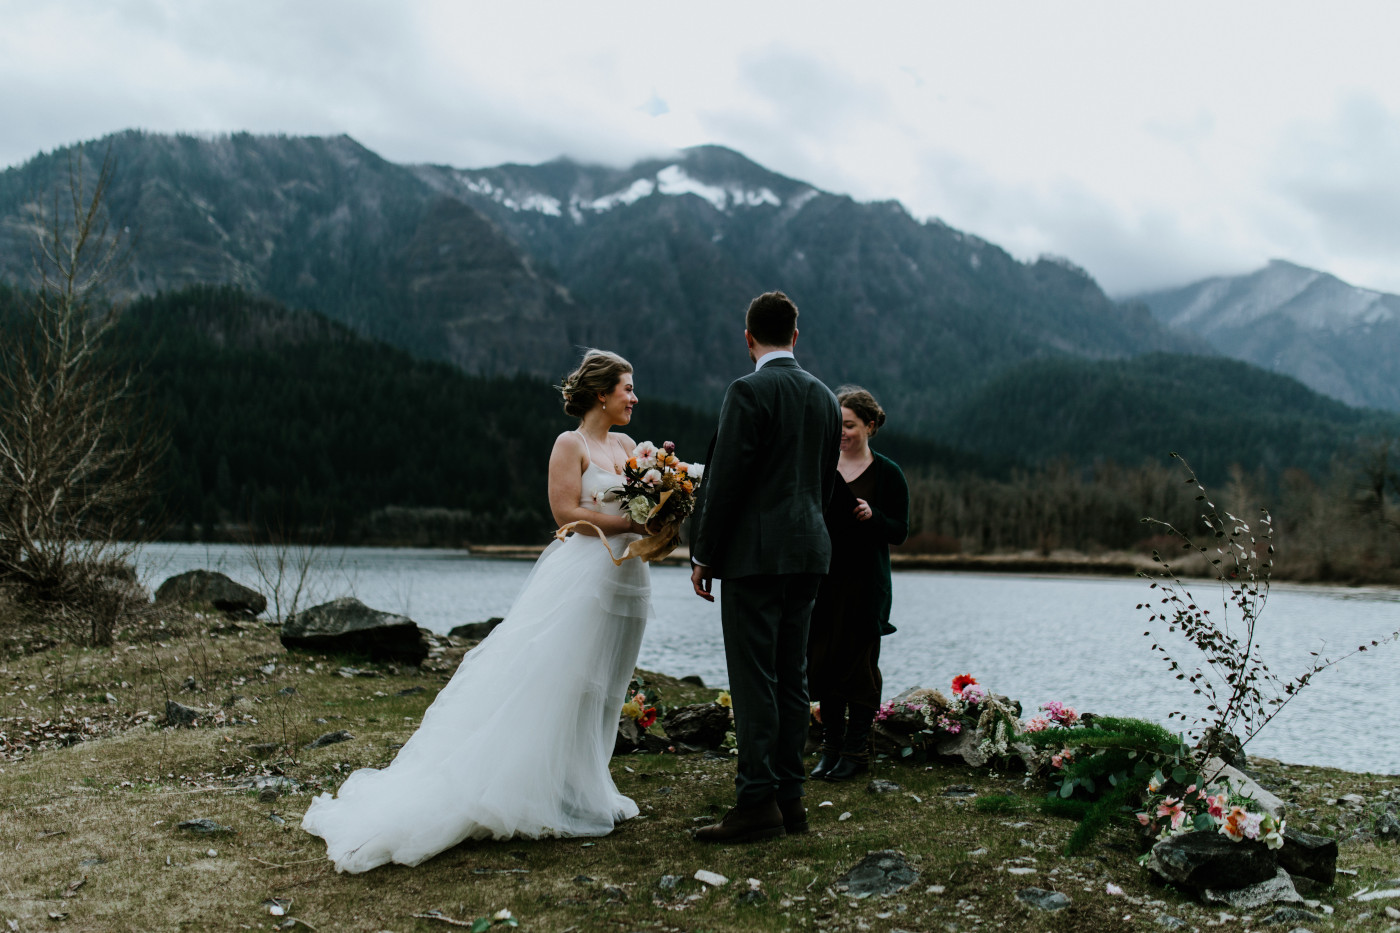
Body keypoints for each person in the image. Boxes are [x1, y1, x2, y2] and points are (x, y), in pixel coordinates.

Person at [302, 350, 651, 872]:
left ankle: (588, 784)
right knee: (562, 678)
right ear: (602, 394)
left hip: (628, 576)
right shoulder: (569, 444)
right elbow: (565, 514)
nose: (635, 397)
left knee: (606, 684)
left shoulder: (626, 445)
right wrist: (628, 525)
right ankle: (539, 787)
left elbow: (645, 498)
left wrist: (663, 503)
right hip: (582, 574)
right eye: (627, 388)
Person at [689, 291, 841, 844]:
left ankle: (756, 802)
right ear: (795, 336)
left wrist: (704, 552)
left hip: (755, 557)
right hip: (809, 552)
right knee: (793, 677)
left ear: (748, 337)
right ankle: (790, 801)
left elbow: (725, 480)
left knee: (755, 681)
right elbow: (825, 483)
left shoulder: (748, 390)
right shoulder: (826, 398)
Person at [807, 387, 910, 782]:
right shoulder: (819, 466)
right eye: (837, 425)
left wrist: (874, 515)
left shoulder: (888, 473)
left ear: (869, 425)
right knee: (824, 666)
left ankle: (856, 753)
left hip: (866, 586)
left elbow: (900, 531)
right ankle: (830, 750)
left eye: (848, 425)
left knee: (861, 670)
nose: (841, 433)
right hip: (822, 583)